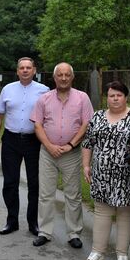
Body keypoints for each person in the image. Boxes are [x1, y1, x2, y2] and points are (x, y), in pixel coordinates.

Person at [30, 62, 93, 249]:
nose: (63, 78)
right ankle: (45, 232)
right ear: (54, 77)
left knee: (73, 195)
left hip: (71, 153)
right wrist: (49, 146)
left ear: (72, 77)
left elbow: (86, 124)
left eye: (67, 75)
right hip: (48, 153)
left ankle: (74, 233)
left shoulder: (82, 98)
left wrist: (71, 144)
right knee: (45, 194)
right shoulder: (44, 99)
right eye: (60, 75)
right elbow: (37, 125)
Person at [82, 81, 130, 260]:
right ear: (107, 97)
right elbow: (88, 143)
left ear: (126, 97)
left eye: (119, 95)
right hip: (101, 174)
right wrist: (86, 165)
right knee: (102, 212)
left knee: (125, 213)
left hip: (127, 175)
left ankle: (122, 254)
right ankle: (98, 251)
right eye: (111, 95)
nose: (115, 99)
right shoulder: (98, 116)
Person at [0, 57, 49, 236]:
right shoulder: (8, 89)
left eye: (28, 68)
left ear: (34, 71)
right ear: (17, 71)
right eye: (22, 68)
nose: (25, 70)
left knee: (34, 183)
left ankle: (33, 222)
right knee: (10, 182)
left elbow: (48, 118)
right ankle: (11, 220)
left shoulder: (44, 91)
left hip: (34, 141)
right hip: (11, 140)